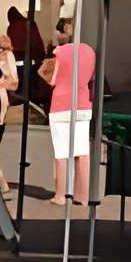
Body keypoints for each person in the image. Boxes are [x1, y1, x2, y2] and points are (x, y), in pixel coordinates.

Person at [39, 14, 97, 207]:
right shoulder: (90, 51)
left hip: (61, 104)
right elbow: (92, 78)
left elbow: (53, 79)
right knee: (82, 152)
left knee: (61, 152)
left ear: (62, 32)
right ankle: (82, 196)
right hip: (83, 103)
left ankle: (60, 195)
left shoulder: (60, 52)